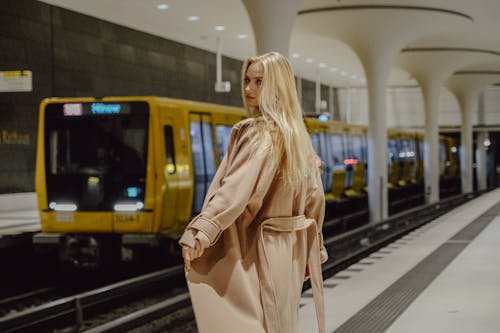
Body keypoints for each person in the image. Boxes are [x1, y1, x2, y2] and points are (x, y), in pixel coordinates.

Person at [179, 51, 328, 333]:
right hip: (289, 251)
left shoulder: (256, 132)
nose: (248, 89)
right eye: (247, 80)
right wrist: (313, 249)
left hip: (256, 252)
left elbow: (234, 191)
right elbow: (315, 199)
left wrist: (202, 230)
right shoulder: (298, 136)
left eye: (259, 82)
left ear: (277, 86)